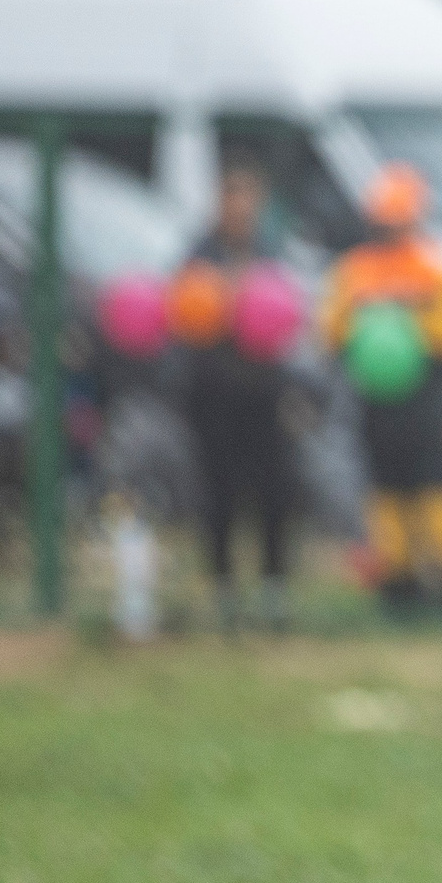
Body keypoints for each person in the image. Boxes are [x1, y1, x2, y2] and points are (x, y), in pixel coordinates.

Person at [320, 164, 442, 607]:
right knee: (394, 487)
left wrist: (398, 328)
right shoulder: (421, 267)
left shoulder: (387, 270)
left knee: (431, 486)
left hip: (423, 396)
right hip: (383, 400)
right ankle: (405, 577)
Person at [176, 164, 298, 627]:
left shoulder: (270, 254)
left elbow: (283, 319)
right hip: (213, 394)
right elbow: (185, 316)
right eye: (233, 200)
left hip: (264, 393)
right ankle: (225, 589)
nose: (241, 210)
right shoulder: (198, 256)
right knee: (219, 493)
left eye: (250, 201)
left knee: (274, 492)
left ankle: (273, 590)